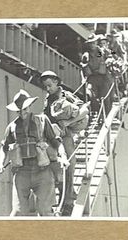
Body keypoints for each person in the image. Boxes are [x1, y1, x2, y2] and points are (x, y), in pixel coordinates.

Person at [0, 89, 68, 216]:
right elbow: (4, 147)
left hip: (42, 171)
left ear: (29, 106)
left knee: (45, 210)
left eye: (25, 109)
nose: (22, 113)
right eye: (19, 110)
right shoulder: (11, 127)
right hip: (22, 172)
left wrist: (63, 157)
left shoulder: (43, 120)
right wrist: (0, 163)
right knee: (18, 212)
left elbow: (56, 141)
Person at [40, 70, 80, 216]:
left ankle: (68, 202)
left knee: (68, 167)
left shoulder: (67, 96)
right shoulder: (48, 99)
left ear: (57, 82)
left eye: (50, 85)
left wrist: (68, 122)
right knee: (55, 169)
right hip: (51, 138)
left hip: (65, 136)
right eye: (46, 86)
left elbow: (84, 110)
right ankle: (65, 197)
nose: (48, 89)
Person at [81, 33, 112, 116]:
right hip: (92, 79)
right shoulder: (86, 55)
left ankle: (107, 116)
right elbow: (82, 67)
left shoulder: (101, 51)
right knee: (90, 95)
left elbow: (111, 55)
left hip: (103, 78)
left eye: (93, 42)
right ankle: (98, 112)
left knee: (105, 98)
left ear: (96, 42)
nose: (92, 45)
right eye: (90, 43)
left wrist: (109, 60)